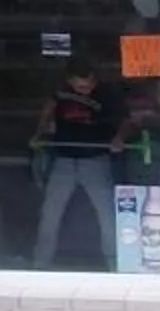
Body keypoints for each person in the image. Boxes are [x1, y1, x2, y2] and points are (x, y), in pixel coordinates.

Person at [31, 68, 128, 269]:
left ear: (94, 79)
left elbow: (126, 120)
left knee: (107, 215)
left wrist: (119, 138)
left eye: (88, 85)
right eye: (79, 86)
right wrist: (39, 134)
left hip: (95, 160)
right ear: (70, 81)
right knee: (50, 213)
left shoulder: (106, 95)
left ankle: (115, 265)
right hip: (64, 161)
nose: (84, 89)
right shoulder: (60, 94)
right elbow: (47, 113)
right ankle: (40, 264)